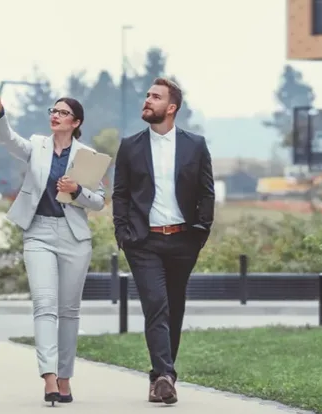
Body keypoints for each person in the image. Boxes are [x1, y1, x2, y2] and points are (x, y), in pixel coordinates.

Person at [0, 74, 106, 406]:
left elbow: (98, 201)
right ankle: (49, 378)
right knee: (44, 305)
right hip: (37, 232)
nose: (55, 115)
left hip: (73, 237)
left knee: (68, 311)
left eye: (63, 112)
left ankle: (65, 379)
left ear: (76, 122)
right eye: (53, 110)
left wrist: (76, 191)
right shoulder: (36, 145)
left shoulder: (88, 156)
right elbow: (8, 139)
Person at [111, 77, 215, 405]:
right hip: (144, 242)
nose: (147, 100)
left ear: (171, 108)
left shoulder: (194, 145)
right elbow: (121, 194)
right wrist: (123, 233)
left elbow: (206, 191)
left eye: (155, 97)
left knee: (174, 308)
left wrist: (201, 230)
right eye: (147, 95)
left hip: (183, 240)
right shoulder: (130, 146)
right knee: (156, 304)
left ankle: (159, 379)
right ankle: (168, 375)